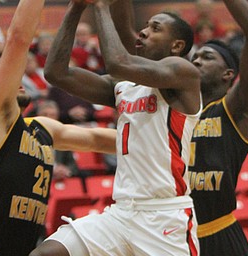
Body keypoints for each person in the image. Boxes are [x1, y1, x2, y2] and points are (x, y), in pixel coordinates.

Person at [30, 0, 201, 255]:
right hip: (121, 213)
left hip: (164, 215)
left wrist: (99, 6)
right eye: (145, 26)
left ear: (176, 45)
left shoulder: (184, 73)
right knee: (46, 253)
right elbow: (57, 73)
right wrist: (76, 7)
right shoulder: (124, 85)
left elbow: (119, 62)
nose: (143, 32)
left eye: (155, 28)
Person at [0, 0, 116, 255]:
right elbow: (18, 39)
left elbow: (96, 139)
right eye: (1, 74)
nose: (16, 77)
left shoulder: (40, 127)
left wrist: (166, 139)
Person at [188, 0, 248, 255]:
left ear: (228, 74)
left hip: (218, 233)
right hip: (173, 233)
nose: (197, 61)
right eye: (195, 57)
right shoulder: (173, 109)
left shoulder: (235, 108)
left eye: (207, 57)